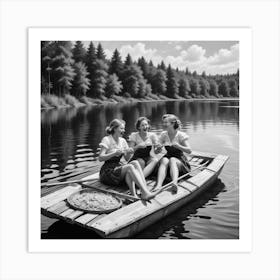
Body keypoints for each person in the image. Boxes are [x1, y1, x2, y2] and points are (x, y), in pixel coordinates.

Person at [98, 119, 156, 200]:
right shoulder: (107, 139)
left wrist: (132, 150)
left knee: (135, 162)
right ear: (114, 129)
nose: (124, 130)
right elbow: (100, 158)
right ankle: (144, 192)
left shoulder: (123, 141)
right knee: (129, 167)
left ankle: (139, 193)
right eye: (121, 128)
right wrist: (114, 153)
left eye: (124, 128)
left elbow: (127, 159)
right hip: (107, 172)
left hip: (117, 168)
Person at [153, 114, 192, 190]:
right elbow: (156, 152)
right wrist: (158, 148)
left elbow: (189, 150)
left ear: (173, 123)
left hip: (180, 160)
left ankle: (174, 183)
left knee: (172, 159)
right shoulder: (163, 135)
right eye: (163, 122)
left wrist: (179, 146)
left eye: (166, 122)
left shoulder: (181, 135)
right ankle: (158, 185)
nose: (164, 124)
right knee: (164, 160)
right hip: (168, 158)